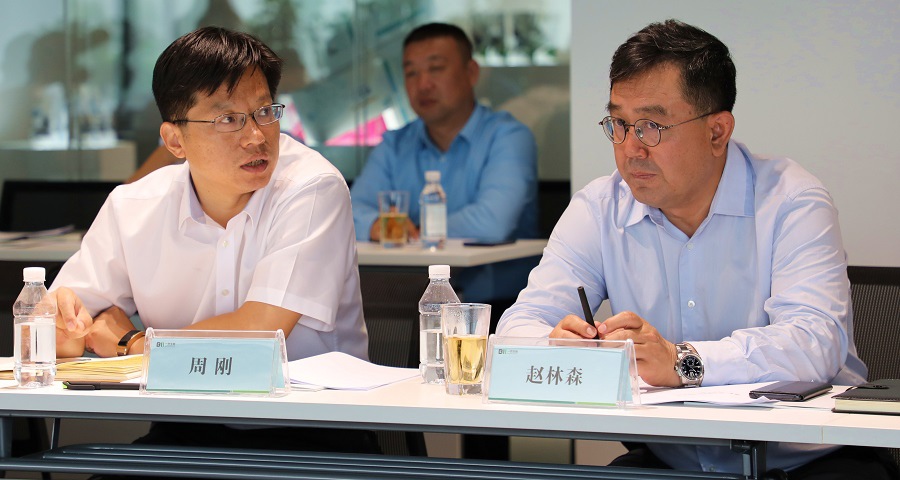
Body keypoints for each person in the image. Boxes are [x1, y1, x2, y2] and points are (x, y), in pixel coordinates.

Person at [497, 19, 898, 479]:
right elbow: (517, 327)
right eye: (619, 124)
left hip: (809, 461)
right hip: (675, 459)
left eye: (651, 126)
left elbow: (814, 343)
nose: (630, 148)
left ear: (717, 132)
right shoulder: (599, 207)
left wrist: (682, 361)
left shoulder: (791, 201)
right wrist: (557, 345)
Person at [51, 26, 377, 455]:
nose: (256, 136)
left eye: (265, 111)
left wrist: (133, 342)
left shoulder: (311, 187)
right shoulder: (134, 206)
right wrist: (67, 329)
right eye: (228, 119)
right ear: (174, 140)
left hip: (310, 430)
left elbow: (260, 333)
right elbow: (58, 326)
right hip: (186, 428)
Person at [350, 22, 538, 246]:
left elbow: (493, 222)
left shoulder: (508, 137)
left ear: (471, 73)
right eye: (411, 73)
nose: (423, 85)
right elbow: (349, 211)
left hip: (495, 271)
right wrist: (375, 224)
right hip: (413, 270)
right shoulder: (395, 145)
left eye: (436, 68)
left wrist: (416, 233)